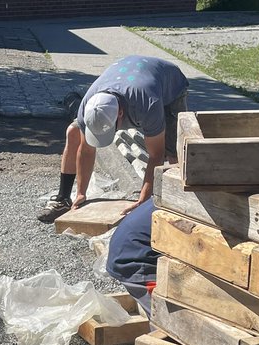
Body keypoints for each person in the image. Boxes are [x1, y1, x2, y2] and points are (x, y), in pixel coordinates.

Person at [38, 55, 188, 223]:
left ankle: (180, 207)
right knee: (73, 132)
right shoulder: (88, 105)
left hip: (169, 84)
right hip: (127, 73)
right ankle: (63, 198)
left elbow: (156, 155)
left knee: (174, 152)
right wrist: (81, 193)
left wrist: (142, 200)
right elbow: (86, 150)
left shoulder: (147, 104)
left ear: (121, 114)